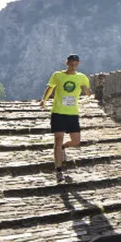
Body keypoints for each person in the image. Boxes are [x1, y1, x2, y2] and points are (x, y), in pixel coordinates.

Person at [40, 54, 93, 183]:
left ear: (78, 64)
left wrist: (86, 90)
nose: (73, 64)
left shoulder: (82, 77)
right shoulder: (57, 75)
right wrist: (44, 100)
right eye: (71, 62)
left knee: (76, 141)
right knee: (58, 140)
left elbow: (89, 94)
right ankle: (59, 170)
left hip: (72, 113)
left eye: (76, 62)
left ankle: (63, 147)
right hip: (58, 112)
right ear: (67, 63)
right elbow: (50, 87)